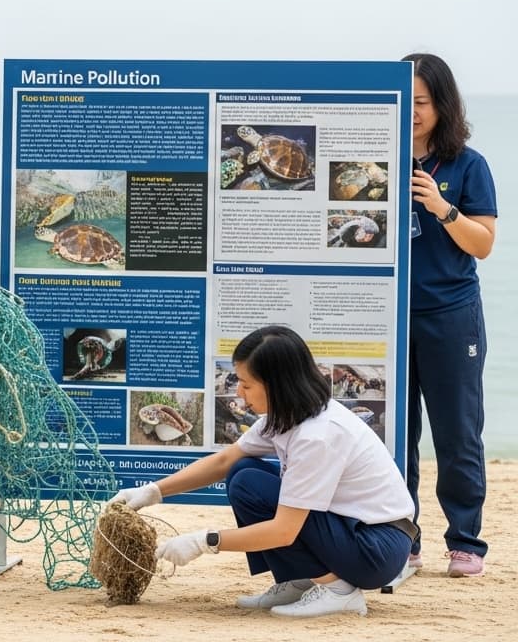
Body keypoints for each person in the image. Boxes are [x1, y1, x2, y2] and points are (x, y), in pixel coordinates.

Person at [111, 325, 415, 618]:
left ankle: (338, 592)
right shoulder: (287, 415)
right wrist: (153, 491)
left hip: (376, 549)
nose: (240, 393)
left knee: (253, 486)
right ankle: (301, 581)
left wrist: (205, 541)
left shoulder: (318, 435)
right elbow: (224, 461)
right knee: (244, 476)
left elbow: (284, 530)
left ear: (277, 384)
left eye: (247, 384)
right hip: (348, 529)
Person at [404, 52, 497, 577]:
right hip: (386, 318)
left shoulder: (468, 164)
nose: (413, 112)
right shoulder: (377, 157)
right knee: (395, 431)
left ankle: (465, 541)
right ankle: (404, 537)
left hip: (451, 312)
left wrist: (443, 208)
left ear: (443, 103)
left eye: (422, 101)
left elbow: (483, 244)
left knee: (458, 432)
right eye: (406, 101)